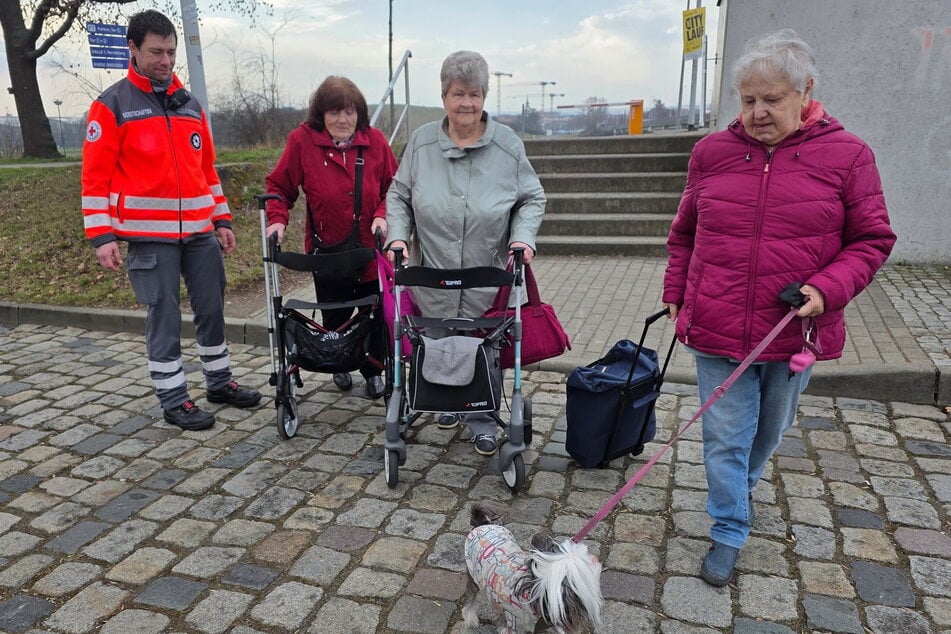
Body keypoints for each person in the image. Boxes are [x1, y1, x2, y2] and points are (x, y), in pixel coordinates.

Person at [662, 29, 896, 587]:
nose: (757, 113)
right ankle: (728, 529)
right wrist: (675, 291)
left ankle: (739, 491)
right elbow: (684, 233)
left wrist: (827, 289)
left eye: (771, 99)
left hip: (793, 330)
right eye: (748, 100)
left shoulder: (849, 155)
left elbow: (872, 239)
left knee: (767, 431)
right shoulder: (711, 153)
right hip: (716, 322)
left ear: (805, 91)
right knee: (725, 435)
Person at [81, 10, 261, 432]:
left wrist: (222, 219)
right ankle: (174, 398)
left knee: (212, 307)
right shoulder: (111, 106)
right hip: (149, 237)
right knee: (163, 315)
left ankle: (219, 382)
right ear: (132, 49)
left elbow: (206, 169)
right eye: (156, 52)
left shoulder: (190, 105)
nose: (165, 61)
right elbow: (94, 177)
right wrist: (101, 236)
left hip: (199, 232)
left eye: (171, 52)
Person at [386, 50, 546, 456]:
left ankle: (481, 419)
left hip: (485, 275)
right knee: (436, 341)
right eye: (458, 94)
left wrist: (523, 238)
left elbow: (531, 198)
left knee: (482, 345)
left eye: (474, 94)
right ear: (444, 96)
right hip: (431, 273)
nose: (467, 103)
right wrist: (398, 237)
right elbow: (399, 194)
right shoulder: (422, 143)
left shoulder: (507, 146)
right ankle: (443, 402)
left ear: (484, 97)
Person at [265, 76, 398, 400]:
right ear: (321, 114)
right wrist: (277, 220)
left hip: (370, 250)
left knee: (374, 316)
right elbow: (279, 186)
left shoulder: (375, 141)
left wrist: (383, 214)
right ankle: (339, 361)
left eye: (349, 112)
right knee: (335, 317)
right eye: (334, 112)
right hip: (327, 253)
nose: (342, 120)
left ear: (359, 113)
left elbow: (395, 188)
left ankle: (373, 370)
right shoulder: (302, 141)